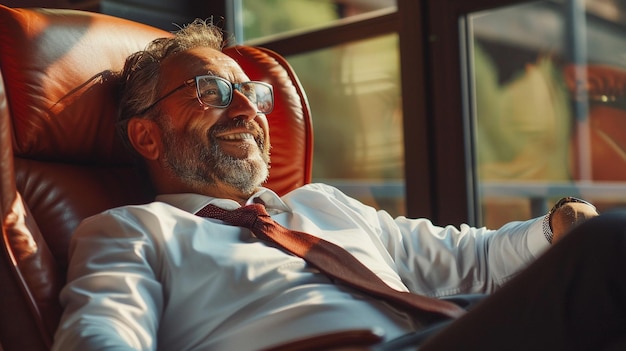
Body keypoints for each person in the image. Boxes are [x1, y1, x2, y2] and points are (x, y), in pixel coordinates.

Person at [51, 19, 624, 351]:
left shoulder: (321, 204)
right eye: (213, 91)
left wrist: (559, 224)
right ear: (147, 137)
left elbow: (472, 260)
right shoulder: (130, 229)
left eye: (253, 94)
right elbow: (102, 331)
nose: (247, 109)